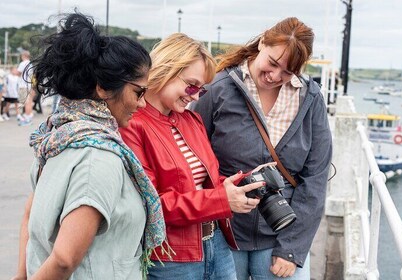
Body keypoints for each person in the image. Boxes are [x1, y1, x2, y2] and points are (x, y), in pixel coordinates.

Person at [11, 12, 165, 280]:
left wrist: (22, 275)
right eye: (139, 92)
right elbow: (64, 259)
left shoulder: (57, 135)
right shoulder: (99, 156)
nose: (142, 103)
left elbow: (29, 215)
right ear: (104, 88)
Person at [191, 17, 333, 279]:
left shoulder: (310, 99)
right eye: (273, 63)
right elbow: (193, 156)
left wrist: (292, 248)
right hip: (224, 232)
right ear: (263, 42)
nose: (275, 76)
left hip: (282, 234)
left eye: (288, 72)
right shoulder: (218, 89)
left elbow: (315, 178)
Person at [119, 33, 265, 280]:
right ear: (166, 69)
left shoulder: (191, 119)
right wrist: (222, 200)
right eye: (192, 85)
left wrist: (243, 184)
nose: (196, 96)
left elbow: (206, 181)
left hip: (216, 243)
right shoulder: (132, 124)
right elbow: (152, 204)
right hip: (171, 256)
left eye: (202, 89)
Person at [16, 50, 35, 125]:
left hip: (23, 85)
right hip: (29, 85)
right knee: (29, 102)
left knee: (26, 102)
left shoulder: (23, 63)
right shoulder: (30, 64)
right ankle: (29, 118)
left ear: (23, 56)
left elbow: (18, 73)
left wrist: (14, 72)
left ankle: (27, 119)